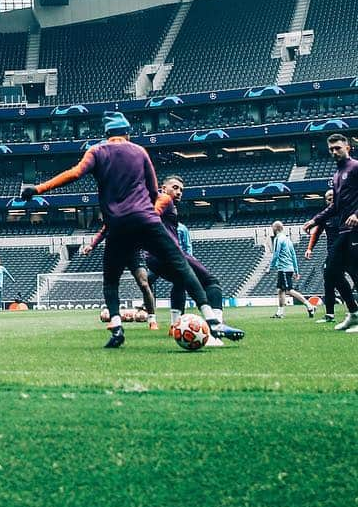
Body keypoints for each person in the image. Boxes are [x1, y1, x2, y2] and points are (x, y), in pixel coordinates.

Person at [22, 112, 239, 349]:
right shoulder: (139, 151)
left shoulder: (96, 151)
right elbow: (155, 192)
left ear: (106, 134)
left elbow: (74, 174)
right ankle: (211, 320)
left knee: (111, 280)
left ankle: (116, 328)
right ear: (127, 132)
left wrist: (38, 189)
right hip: (146, 221)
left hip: (117, 226)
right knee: (182, 266)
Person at [146, 176, 242, 338]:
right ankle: (216, 325)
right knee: (211, 282)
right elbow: (152, 216)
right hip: (170, 253)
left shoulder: (164, 206)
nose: (179, 192)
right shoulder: (164, 200)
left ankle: (174, 326)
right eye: (175, 187)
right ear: (163, 188)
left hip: (152, 258)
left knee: (179, 283)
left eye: (181, 190)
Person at [79, 225, 159, 329]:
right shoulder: (113, 214)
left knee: (144, 283)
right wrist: (92, 245)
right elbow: (104, 231)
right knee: (111, 283)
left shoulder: (135, 213)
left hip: (134, 252)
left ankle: (152, 320)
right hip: (114, 252)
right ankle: (115, 319)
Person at [317, 134, 358, 331]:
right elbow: (335, 207)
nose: (334, 152)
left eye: (338, 148)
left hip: (356, 228)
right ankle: (354, 312)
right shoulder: (335, 175)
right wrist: (315, 220)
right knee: (331, 271)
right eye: (331, 149)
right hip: (344, 230)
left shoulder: (355, 167)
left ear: (347, 147)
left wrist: (357, 214)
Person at [303, 187, 353, 324]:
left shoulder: (345, 211)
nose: (331, 199)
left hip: (348, 251)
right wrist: (309, 249)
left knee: (351, 277)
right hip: (332, 253)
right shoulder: (325, 216)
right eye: (328, 198)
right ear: (326, 201)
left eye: (333, 197)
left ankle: (352, 309)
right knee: (329, 281)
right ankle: (330, 314)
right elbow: (316, 233)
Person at [269, 220, 315, 319]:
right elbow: (293, 256)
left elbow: (276, 254)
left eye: (272, 227)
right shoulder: (287, 239)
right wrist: (296, 271)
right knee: (280, 290)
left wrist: (270, 267)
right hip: (288, 268)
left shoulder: (278, 239)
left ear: (276, 228)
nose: (272, 229)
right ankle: (280, 313)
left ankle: (309, 306)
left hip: (283, 268)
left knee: (288, 290)